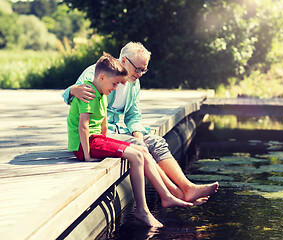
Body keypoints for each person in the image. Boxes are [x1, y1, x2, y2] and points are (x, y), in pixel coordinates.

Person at [63, 42, 218, 204]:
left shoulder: (134, 83)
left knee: (157, 142)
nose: (140, 73)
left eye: (144, 69)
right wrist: (73, 90)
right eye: (138, 68)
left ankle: (187, 187)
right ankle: (175, 194)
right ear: (123, 61)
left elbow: (133, 115)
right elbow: (77, 99)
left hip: (118, 129)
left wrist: (139, 135)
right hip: (100, 134)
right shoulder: (98, 72)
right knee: (140, 148)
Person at [67, 53, 192, 228]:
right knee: (137, 154)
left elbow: (123, 117)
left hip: (100, 138)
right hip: (88, 144)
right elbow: (83, 127)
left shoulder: (104, 90)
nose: (116, 87)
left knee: (141, 150)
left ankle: (169, 195)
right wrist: (87, 156)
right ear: (124, 60)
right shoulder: (91, 88)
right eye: (114, 84)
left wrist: (132, 135)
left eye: (144, 70)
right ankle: (143, 209)